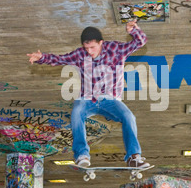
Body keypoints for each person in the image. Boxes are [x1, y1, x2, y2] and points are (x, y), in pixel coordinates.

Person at [27, 20, 150, 168]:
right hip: (87, 99)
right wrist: (42, 58)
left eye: (93, 47)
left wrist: (132, 31)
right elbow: (60, 59)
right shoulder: (80, 54)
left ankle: (133, 157)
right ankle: (82, 155)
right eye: (87, 48)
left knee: (129, 116)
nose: (90, 52)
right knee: (77, 111)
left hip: (110, 100)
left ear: (101, 43)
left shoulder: (116, 49)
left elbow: (140, 42)